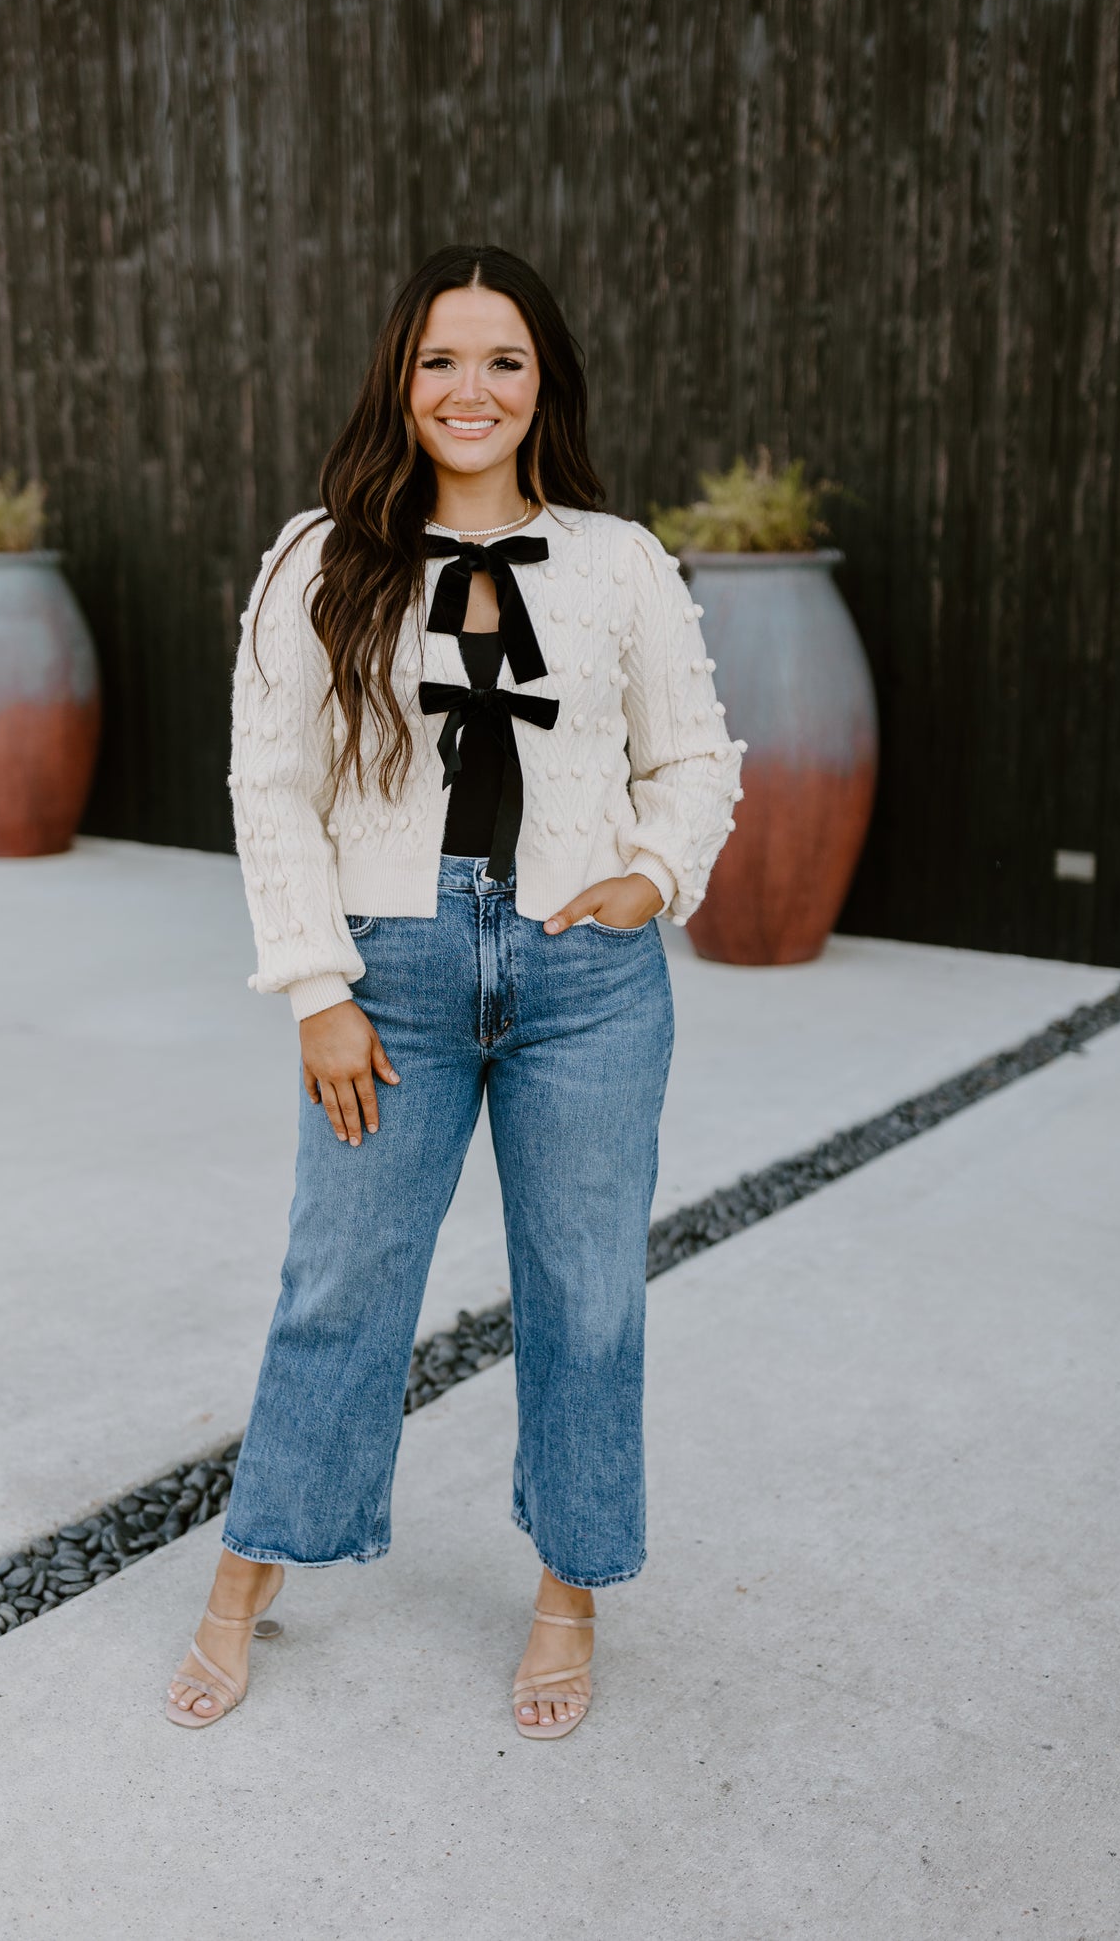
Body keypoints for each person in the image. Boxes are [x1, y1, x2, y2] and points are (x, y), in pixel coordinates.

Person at [166, 244, 744, 1739]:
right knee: (341, 1285)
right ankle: (253, 1564)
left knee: (591, 1299)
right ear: (398, 380)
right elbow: (272, 785)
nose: (468, 389)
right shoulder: (320, 557)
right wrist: (316, 986)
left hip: (587, 980)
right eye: (439, 360)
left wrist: (654, 874)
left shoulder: (619, 560)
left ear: (542, 382)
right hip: (393, 978)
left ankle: (570, 1589)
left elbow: (693, 758)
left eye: (502, 360)